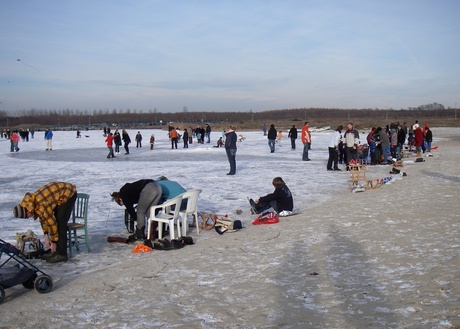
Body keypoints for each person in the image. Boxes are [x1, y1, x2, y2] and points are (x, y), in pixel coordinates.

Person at [13, 182, 77, 263]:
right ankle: (55, 251)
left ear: (27, 212)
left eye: (26, 217)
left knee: (60, 223)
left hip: (68, 193)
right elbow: (43, 219)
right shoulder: (30, 203)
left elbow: (52, 223)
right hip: (58, 194)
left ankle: (61, 254)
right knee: (56, 223)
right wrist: (46, 235)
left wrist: (53, 242)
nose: (29, 217)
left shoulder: (40, 205)